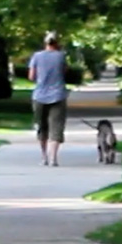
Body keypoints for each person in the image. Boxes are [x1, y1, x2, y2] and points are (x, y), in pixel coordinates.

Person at [28, 31, 68, 166]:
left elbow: (31, 77)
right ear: (57, 43)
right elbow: (64, 73)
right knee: (56, 127)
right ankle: (53, 158)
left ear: (45, 43)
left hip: (39, 96)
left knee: (42, 127)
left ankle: (44, 157)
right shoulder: (61, 56)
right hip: (58, 95)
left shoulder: (36, 56)